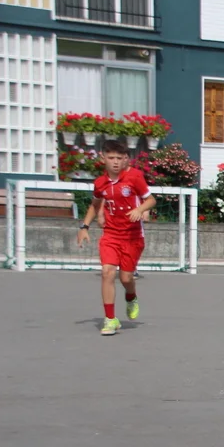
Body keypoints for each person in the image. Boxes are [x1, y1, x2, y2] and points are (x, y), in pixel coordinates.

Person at [76, 140, 155, 336]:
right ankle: (110, 319)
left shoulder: (134, 177)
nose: (115, 162)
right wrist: (84, 227)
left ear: (126, 159)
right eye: (111, 158)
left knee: (126, 278)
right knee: (107, 272)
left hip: (132, 236)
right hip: (111, 234)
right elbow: (95, 205)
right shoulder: (100, 183)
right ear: (103, 158)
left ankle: (131, 295)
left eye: (119, 158)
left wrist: (140, 209)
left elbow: (151, 200)